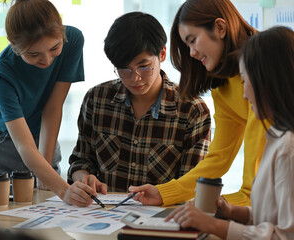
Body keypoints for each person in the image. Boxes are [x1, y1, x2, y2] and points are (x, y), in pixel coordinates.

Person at [130, 0, 267, 207]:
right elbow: (220, 156)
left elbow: (254, 193)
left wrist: (207, 206)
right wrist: (165, 193)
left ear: (220, 27)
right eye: (187, 45)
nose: (192, 53)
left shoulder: (265, 61)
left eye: (193, 40)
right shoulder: (222, 83)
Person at [165, 26, 294, 240]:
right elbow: (275, 217)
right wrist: (234, 212)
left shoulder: (288, 149)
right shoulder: (277, 138)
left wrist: (215, 226)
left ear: (269, 81)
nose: (243, 94)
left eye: (244, 81)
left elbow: (285, 236)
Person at [67, 12, 211, 192]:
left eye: (144, 66)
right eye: (124, 70)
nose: (135, 78)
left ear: (162, 54)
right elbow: (80, 160)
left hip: (161, 216)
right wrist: (83, 178)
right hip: (103, 212)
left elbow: (193, 185)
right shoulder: (97, 99)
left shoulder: (192, 110)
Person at [0, 0, 95, 206]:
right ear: (15, 47)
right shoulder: (1, 74)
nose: (46, 60)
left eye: (54, 47)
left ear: (62, 32)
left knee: (46, 213)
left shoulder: (73, 40)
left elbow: (53, 107)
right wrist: (64, 190)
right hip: (0, 141)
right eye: (33, 54)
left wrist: (48, 176)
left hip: (42, 133)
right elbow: (24, 145)